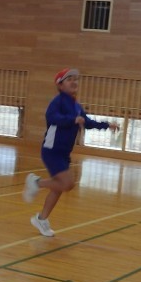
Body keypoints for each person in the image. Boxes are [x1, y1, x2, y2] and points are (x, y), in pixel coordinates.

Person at [22, 68, 118, 237]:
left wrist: (106, 125)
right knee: (68, 184)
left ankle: (41, 219)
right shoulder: (57, 101)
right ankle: (36, 183)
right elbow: (52, 118)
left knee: (58, 187)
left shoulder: (76, 106)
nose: (74, 82)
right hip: (52, 150)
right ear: (60, 85)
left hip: (64, 153)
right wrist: (71, 120)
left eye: (75, 79)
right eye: (69, 79)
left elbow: (87, 122)